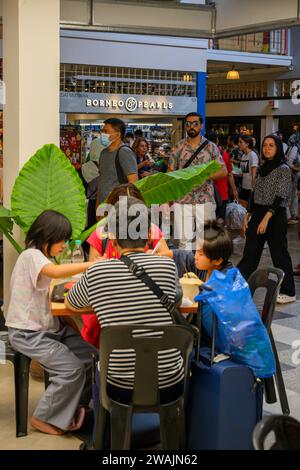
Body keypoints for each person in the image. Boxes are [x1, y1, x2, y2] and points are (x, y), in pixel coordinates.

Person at [66, 198, 184, 445]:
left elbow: (72, 304)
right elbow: (176, 297)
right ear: (148, 236)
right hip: (170, 382)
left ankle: (105, 439)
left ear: (114, 240)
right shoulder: (167, 266)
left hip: (119, 385)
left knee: (101, 362)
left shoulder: (99, 271)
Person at [5, 210, 97, 435]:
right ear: (48, 236)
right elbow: (54, 271)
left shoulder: (41, 258)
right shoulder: (31, 255)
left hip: (48, 329)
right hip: (28, 333)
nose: (64, 246)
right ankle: (42, 418)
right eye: (62, 240)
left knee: (90, 356)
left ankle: (76, 407)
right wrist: (90, 265)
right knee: (72, 369)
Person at [83, 184, 169, 348]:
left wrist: (153, 257)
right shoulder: (101, 233)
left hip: (140, 301)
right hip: (111, 302)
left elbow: (167, 254)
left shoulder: (150, 230)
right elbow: (90, 265)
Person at [238, 135, 296, 304]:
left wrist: (266, 218)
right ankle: (239, 287)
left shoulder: (284, 168)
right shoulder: (263, 168)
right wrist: (248, 214)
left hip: (275, 214)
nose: (267, 148)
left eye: (271, 145)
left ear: (278, 148)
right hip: (258, 212)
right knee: (250, 253)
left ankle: (288, 291)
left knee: (279, 255)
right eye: (265, 145)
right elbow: (254, 193)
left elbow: (281, 195)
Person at [168, 112, 227, 248]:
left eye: (195, 123)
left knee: (206, 241)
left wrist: (204, 176)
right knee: (184, 243)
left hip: (205, 200)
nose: (191, 127)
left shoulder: (211, 147)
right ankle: (186, 269)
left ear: (201, 125)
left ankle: (204, 269)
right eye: (188, 124)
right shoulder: (178, 147)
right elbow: (170, 172)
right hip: (182, 201)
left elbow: (223, 171)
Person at [96, 118, 138, 207]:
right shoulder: (103, 153)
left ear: (118, 135)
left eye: (106, 131)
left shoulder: (124, 152)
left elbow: (133, 181)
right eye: (102, 131)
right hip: (103, 205)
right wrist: (98, 205)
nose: (102, 134)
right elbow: (101, 180)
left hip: (118, 206)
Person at [206, 131, 238, 222]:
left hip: (206, 193)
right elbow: (229, 175)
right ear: (217, 141)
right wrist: (234, 190)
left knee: (207, 222)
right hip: (222, 193)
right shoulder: (224, 155)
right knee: (220, 220)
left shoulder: (202, 156)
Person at [238, 134, 259, 207]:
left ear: (247, 144)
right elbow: (243, 173)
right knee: (243, 208)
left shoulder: (252, 155)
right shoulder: (243, 156)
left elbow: (254, 174)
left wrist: (253, 189)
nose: (239, 144)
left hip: (250, 188)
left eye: (241, 142)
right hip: (244, 186)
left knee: (249, 209)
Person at [286, 132, 300, 224]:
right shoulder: (295, 148)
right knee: (290, 196)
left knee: (294, 196)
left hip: (295, 176)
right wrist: (297, 168)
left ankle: (293, 214)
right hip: (292, 175)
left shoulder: (296, 148)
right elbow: (289, 163)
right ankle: (289, 217)